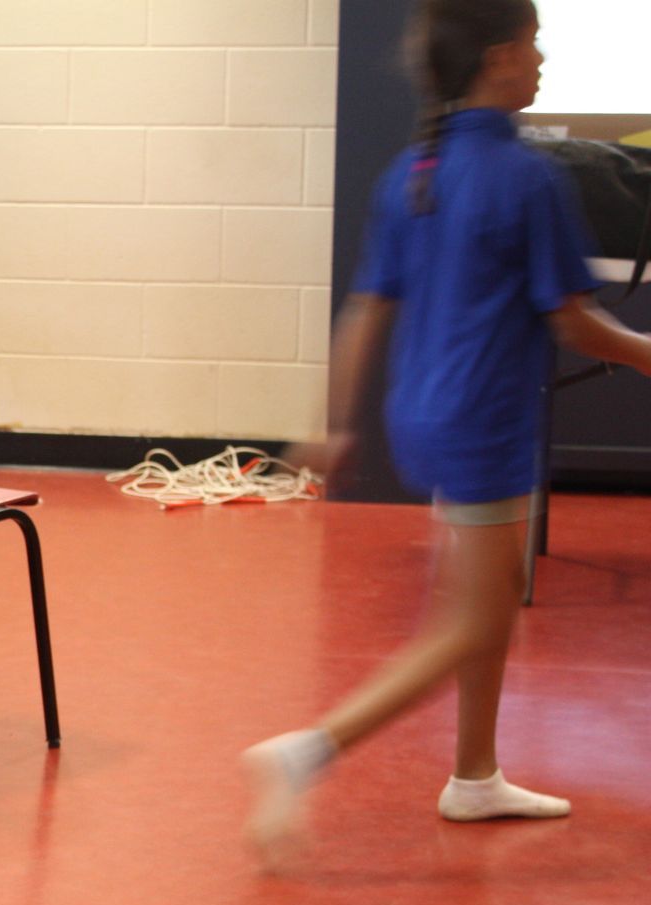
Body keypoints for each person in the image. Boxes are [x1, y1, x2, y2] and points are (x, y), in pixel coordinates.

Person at [245, 0, 651, 850]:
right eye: (534, 44)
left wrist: (335, 424)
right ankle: (308, 751)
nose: (542, 60)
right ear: (501, 58)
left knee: (487, 601)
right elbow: (575, 324)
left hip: (421, 414)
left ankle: (475, 776)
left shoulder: (412, 171)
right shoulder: (529, 177)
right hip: (484, 422)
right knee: (470, 619)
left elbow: (365, 308)